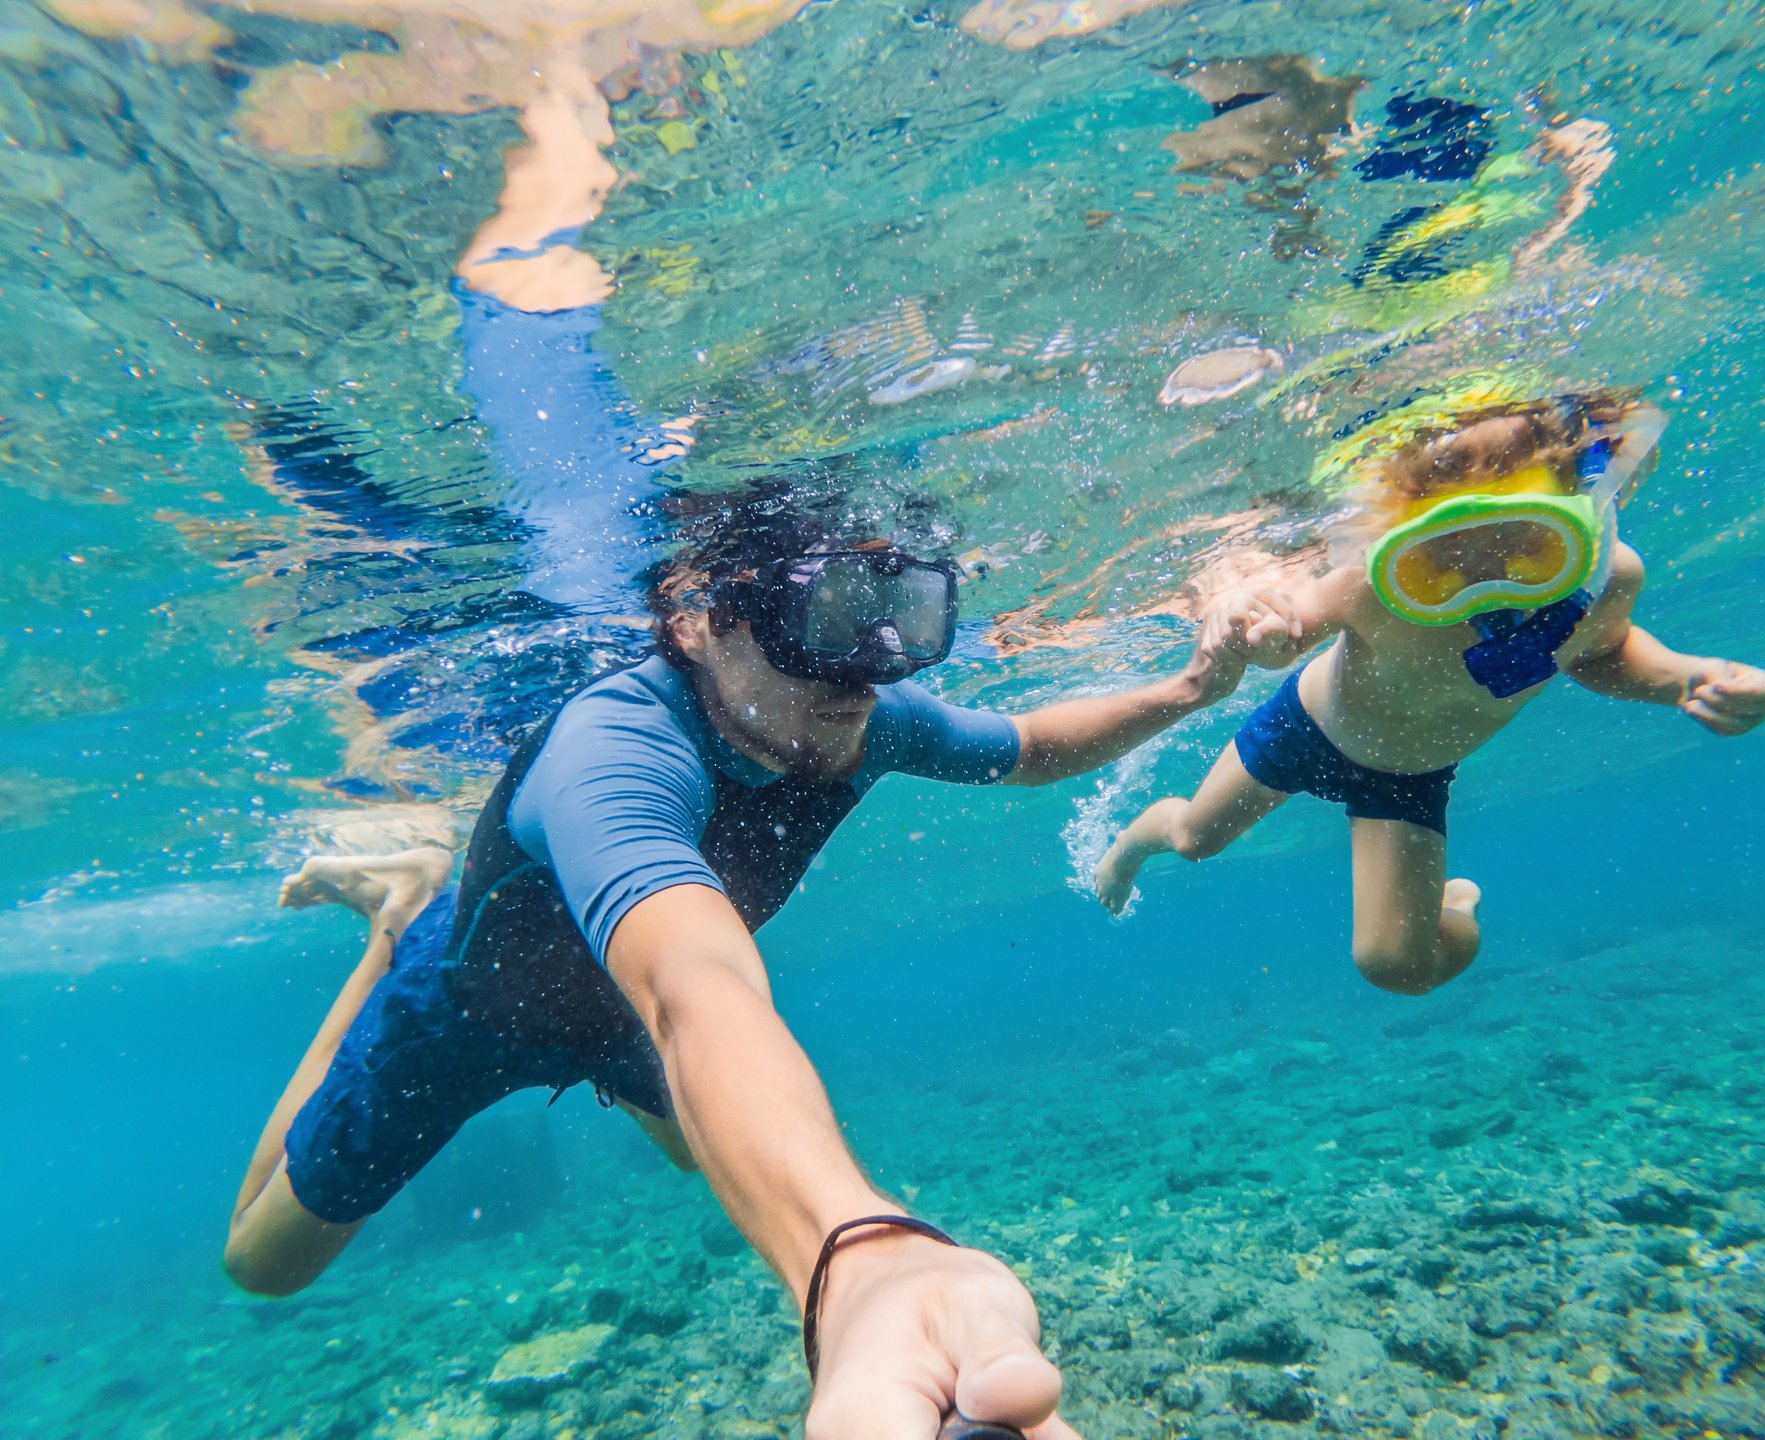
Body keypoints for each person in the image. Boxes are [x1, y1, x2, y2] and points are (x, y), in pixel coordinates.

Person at [224, 509, 1262, 1440]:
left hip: (622, 1020)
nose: (863, 669)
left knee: (693, 1155)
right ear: (697, 619)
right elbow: (692, 989)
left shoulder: (865, 720)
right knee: (262, 1267)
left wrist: (1186, 688)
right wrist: (856, 1258)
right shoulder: (613, 753)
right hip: (472, 1010)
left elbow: (1028, 742)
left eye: (903, 615)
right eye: (828, 618)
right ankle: (396, 919)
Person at [1093, 390, 1765, 995]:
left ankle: (1455, 905)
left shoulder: (1607, 580)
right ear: (1401, 536)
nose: (1485, 580)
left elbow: (1604, 654)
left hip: (1410, 777)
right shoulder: (1368, 583)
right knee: (1192, 839)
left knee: (1399, 967)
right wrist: (1267, 628)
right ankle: (1132, 843)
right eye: (1441, 556)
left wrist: (1691, 678)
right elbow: (1292, 616)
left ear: (1585, 510)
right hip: (1305, 726)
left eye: (1523, 543)